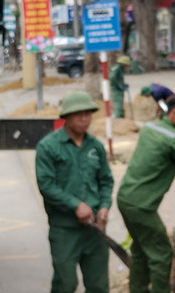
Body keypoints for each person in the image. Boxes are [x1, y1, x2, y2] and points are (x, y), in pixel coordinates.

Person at [117, 95, 175, 293]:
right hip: (142, 207)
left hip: (125, 199)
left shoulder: (149, 128)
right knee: (162, 253)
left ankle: (138, 289)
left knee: (140, 250)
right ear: (174, 113)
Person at [36, 90, 114, 293]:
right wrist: (76, 205)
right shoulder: (48, 147)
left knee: (98, 286)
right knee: (66, 284)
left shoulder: (95, 146)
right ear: (66, 117)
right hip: (64, 229)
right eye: (78, 114)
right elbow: (46, 185)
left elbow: (106, 181)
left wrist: (104, 207)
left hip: (94, 230)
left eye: (88, 114)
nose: (84, 118)